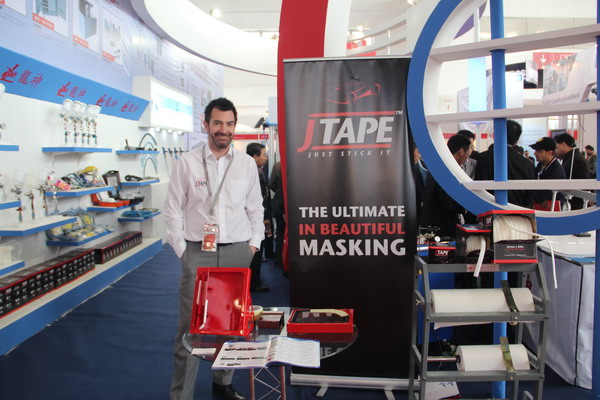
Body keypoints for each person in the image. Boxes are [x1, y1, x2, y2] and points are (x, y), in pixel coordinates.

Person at [163, 97, 264, 400]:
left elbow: (255, 208)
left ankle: (223, 383)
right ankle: (181, 395)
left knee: (230, 324)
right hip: (198, 253)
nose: (224, 129)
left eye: (229, 124)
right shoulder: (187, 163)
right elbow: (172, 210)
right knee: (190, 328)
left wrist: (253, 245)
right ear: (205, 124)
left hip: (237, 252)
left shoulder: (246, 163)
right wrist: (183, 252)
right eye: (217, 123)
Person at [474, 120, 536, 208]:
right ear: (517, 140)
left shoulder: (484, 157)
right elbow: (529, 197)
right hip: (518, 212)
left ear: (497, 134)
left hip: (489, 211)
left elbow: (480, 189)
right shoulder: (528, 164)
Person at [420, 134, 472, 238]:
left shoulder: (440, 165)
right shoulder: (447, 169)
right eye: (470, 149)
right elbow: (448, 203)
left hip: (435, 225)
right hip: (441, 228)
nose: (469, 155)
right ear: (461, 151)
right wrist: (465, 206)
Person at [246, 142, 271, 292]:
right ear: (255, 156)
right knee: (255, 251)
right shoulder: (252, 173)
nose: (266, 158)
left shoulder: (256, 170)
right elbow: (259, 198)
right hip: (255, 219)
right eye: (264, 155)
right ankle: (254, 282)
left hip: (257, 218)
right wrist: (264, 217)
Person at [554, 133, 588, 210]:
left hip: (574, 206)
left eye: (556, 147)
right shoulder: (571, 159)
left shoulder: (576, 160)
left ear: (563, 144)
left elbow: (581, 186)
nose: (555, 151)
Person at [530, 137, 566, 211]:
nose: (535, 153)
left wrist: (539, 197)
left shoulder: (556, 171)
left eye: (539, 151)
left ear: (550, 152)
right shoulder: (540, 165)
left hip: (552, 210)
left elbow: (543, 195)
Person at [269, 161, 286, 270]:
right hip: (291, 204)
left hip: (280, 204)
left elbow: (271, 184)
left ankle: (279, 260)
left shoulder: (278, 165)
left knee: (280, 233)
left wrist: (279, 191)